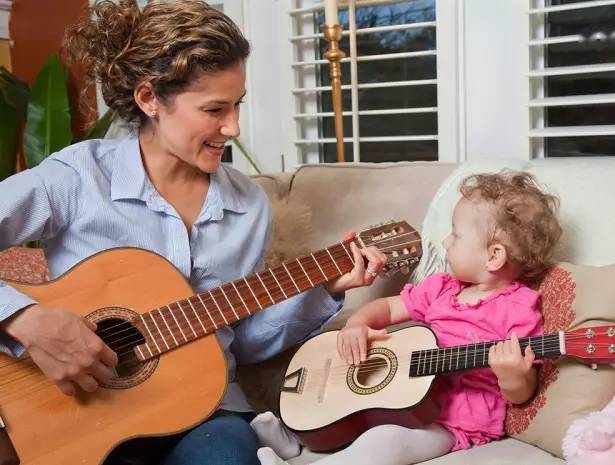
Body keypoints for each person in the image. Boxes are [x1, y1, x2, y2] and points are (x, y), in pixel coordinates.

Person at [0, 1, 386, 465]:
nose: (233, 127)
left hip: (206, 414)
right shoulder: (76, 179)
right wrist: (25, 319)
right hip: (84, 413)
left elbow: (238, 341)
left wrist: (321, 288)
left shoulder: (248, 207)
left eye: (237, 105)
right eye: (214, 109)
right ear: (149, 99)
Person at [256, 171, 563, 465]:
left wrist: (512, 377)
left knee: (386, 442)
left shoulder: (519, 309)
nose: (445, 243)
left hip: (450, 421)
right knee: (358, 401)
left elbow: (523, 393)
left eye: (456, 235)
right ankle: (293, 437)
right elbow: (389, 309)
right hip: (401, 395)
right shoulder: (443, 288)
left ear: (494, 256)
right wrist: (358, 324)